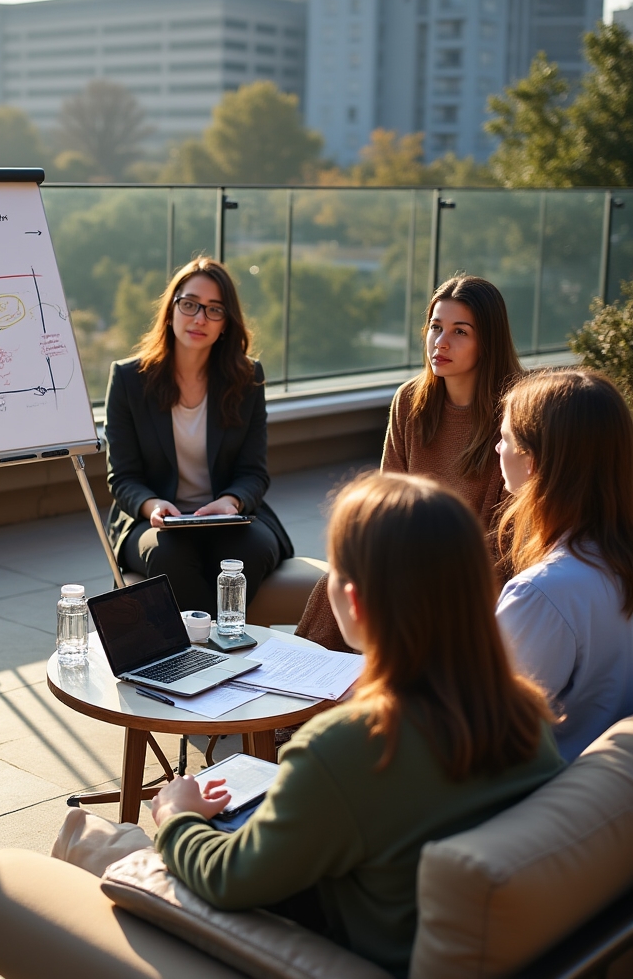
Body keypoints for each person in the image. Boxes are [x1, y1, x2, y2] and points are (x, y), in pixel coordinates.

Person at [149, 473, 563, 978]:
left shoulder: (349, 746)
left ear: (356, 601)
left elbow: (229, 879)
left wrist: (175, 815)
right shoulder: (524, 712)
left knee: (105, 847)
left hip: (344, 949)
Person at [297, 274, 522, 650]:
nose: (441, 342)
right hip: (410, 555)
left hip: (477, 569)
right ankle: (305, 686)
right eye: (436, 327)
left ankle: (382, 690)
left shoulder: (515, 412)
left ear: (489, 341)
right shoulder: (411, 402)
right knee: (339, 579)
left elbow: (511, 535)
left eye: (460, 332)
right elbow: (387, 502)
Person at [104, 257, 293, 612]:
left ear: (226, 323)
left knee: (248, 553)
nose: (199, 318)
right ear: (171, 309)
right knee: (169, 557)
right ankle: (209, 654)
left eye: (214, 310)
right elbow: (123, 476)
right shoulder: (129, 379)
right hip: (155, 519)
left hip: (228, 515)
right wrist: (152, 505)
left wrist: (230, 502)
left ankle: (219, 649)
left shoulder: (247, 378)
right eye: (189, 304)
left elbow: (253, 472)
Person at [495, 369, 633, 762]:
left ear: (533, 463)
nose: (496, 449)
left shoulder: (543, 593)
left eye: (504, 438)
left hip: (542, 798)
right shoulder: (610, 562)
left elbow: (483, 728)